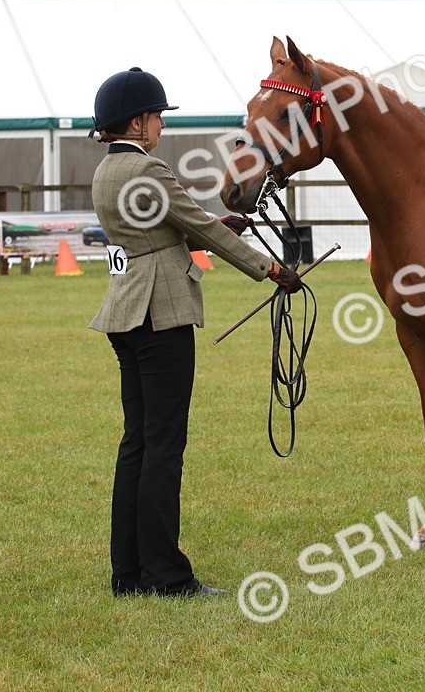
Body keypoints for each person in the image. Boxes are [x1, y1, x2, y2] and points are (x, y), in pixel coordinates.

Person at [88, 67, 301, 598]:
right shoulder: (150, 169)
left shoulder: (105, 173)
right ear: (137, 122)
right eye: (157, 116)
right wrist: (269, 269)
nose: (160, 125)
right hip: (161, 314)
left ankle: (129, 572)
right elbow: (197, 225)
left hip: (124, 313)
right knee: (165, 445)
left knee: (136, 442)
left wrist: (209, 226)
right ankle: (167, 574)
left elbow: (165, 226)